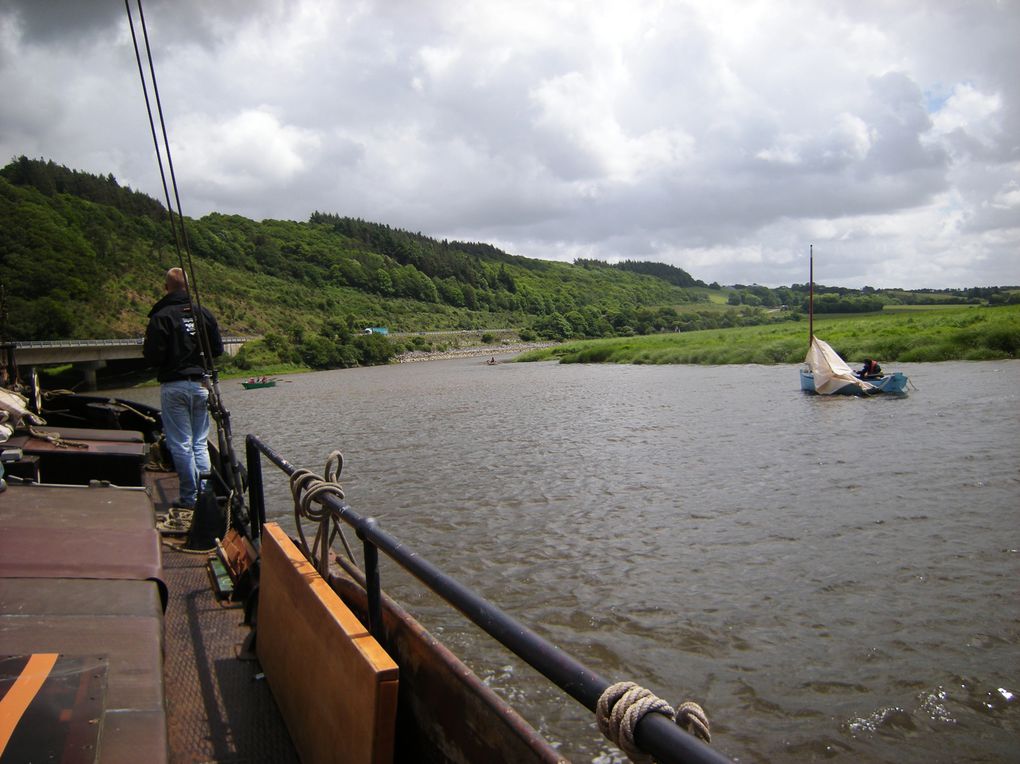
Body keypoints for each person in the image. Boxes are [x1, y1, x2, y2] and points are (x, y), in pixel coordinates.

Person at [143, 267, 223, 509]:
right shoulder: (204, 314)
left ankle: (190, 498)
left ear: (166, 288)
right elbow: (217, 350)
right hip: (200, 385)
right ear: (187, 288)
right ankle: (205, 494)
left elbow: (152, 357)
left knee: (181, 444)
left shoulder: (162, 316)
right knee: (199, 442)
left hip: (174, 386)